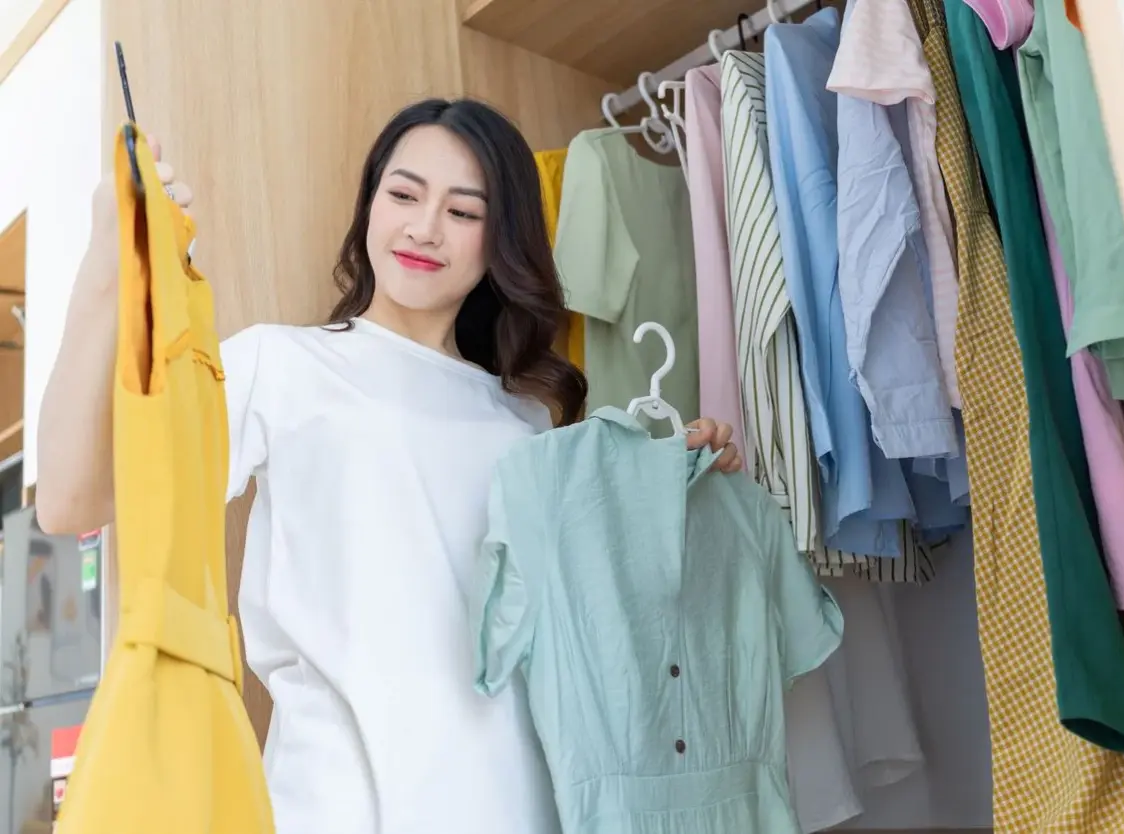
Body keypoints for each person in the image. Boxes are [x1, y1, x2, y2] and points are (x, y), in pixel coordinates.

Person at [35, 98, 742, 833]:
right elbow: (69, 501)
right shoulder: (281, 365)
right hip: (335, 810)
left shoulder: (529, 422)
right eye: (403, 194)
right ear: (370, 202)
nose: (424, 227)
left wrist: (678, 489)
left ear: (502, 241)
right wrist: (108, 262)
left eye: (464, 212)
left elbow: (602, 641)